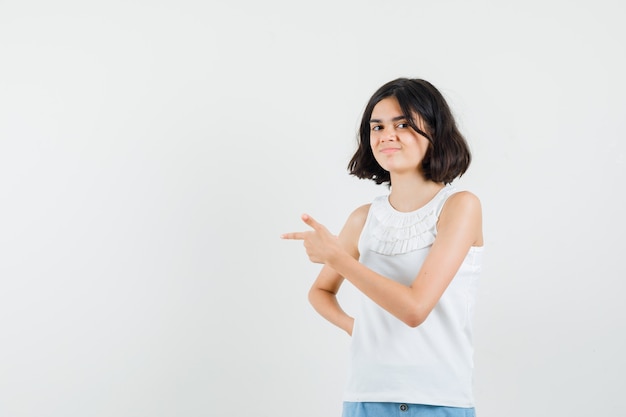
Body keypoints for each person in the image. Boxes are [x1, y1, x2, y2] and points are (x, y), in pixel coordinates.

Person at [281, 78, 483, 417]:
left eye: (403, 124)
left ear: (435, 131)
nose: (386, 135)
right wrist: (356, 328)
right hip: (367, 394)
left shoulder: (460, 206)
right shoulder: (364, 218)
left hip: (438, 398)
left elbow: (414, 309)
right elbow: (320, 291)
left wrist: (336, 257)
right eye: (377, 126)